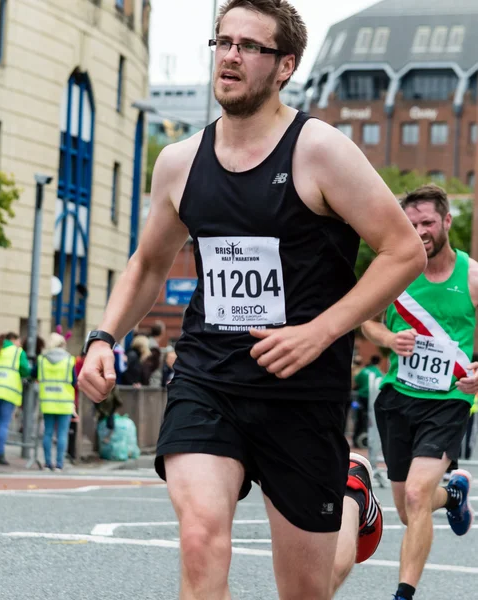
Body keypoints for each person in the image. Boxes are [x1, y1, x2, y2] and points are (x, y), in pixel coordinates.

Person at [78, 1, 427, 597]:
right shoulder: (180, 163)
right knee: (201, 540)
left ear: (284, 65)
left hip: (301, 390)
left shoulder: (320, 151)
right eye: (223, 41)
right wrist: (103, 337)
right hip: (208, 378)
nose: (230, 56)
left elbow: (403, 251)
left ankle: (352, 495)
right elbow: (148, 262)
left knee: (306, 589)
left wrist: (321, 331)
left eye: (249, 46)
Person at [362, 184, 477, 600]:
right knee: (408, 507)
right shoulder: (392, 270)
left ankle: (403, 595)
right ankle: (452, 496)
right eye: (411, 224)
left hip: (449, 400)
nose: (420, 231)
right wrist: (388, 340)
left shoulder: (472, 275)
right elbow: (368, 322)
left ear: (446, 221)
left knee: (415, 494)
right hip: (398, 397)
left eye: (427, 222)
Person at [37, 333, 76, 471]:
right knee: (62, 434)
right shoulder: (69, 360)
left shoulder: (42, 360)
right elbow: (74, 381)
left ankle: (47, 463)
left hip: (47, 400)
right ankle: (59, 464)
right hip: (64, 401)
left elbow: (35, 374)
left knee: (47, 433)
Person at [0, 332, 31, 466]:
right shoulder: (18, 352)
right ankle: (0, 453)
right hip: (8, 392)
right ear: (13, 340)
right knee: (3, 424)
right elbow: (25, 370)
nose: (20, 344)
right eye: (18, 341)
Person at [352, 355, 382, 447]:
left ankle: (356, 439)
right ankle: (370, 439)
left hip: (360, 398)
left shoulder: (363, 371)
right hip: (373, 398)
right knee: (372, 419)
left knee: (359, 418)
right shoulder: (379, 373)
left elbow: (356, 382)